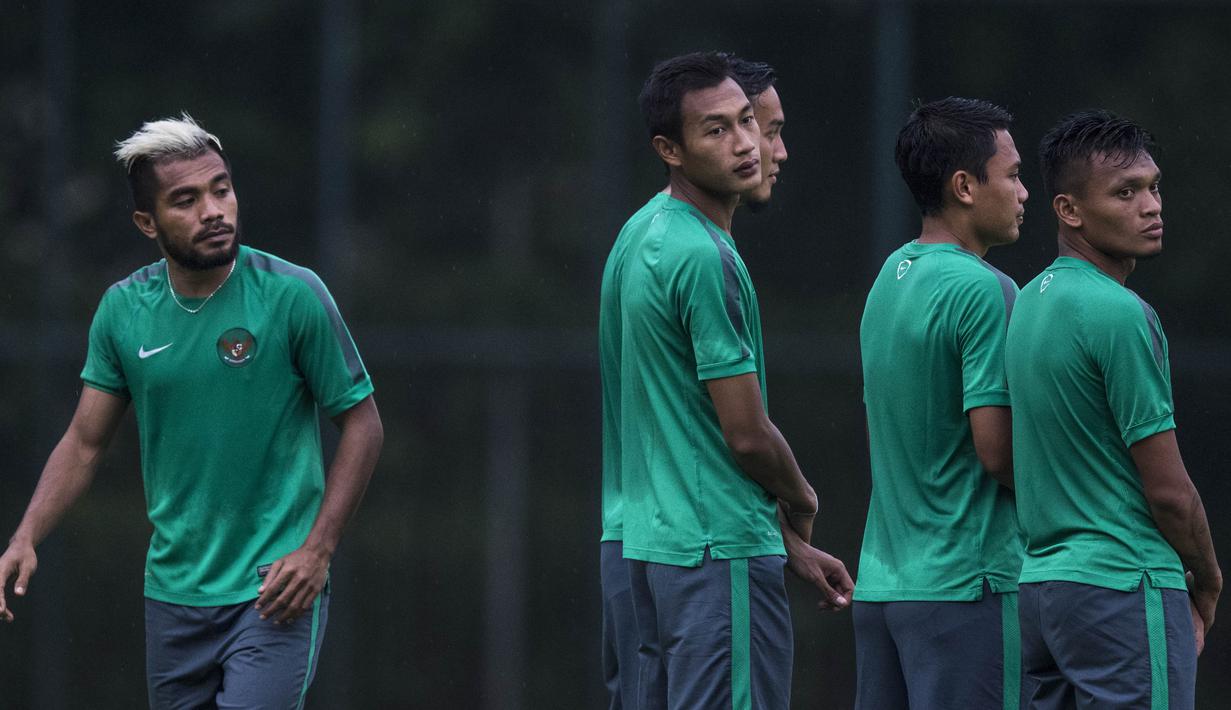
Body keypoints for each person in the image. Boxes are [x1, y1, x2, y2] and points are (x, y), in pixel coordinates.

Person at [0, 114, 384, 709]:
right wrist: (26, 536)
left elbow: (362, 422)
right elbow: (84, 442)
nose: (213, 210)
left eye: (221, 189)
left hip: (273, 591)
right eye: (186, 199)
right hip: (173, 597)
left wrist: (317, 550)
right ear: (146, 222)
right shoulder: (124, 311)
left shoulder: (293, 295)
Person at [599, 51, 851, 710]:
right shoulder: (705, 257)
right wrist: (801, 499)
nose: (747, 145)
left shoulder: (637, 235)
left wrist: (787, 545)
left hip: (637, 551)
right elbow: (743, 436)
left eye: (749, 123)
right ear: (669, 149)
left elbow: (685, 433)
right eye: (717, 130)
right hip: (713, 556)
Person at [1008, 110, 1221, 709]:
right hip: (1122, 587)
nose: (1151, 206)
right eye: (1125, 192)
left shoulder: (1028, 302)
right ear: (1068, 211)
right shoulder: (1120, 312)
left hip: (1044, 590)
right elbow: (1169, 493)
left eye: (1152, 187)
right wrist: (1207, 578)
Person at [854, 97, 1028, 709]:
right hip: (965, 587)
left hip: (882, 590)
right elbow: (998, 454)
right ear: (964, 186)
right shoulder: (987, 289)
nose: (1025, 192)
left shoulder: (888, 277)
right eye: (1011, 175)